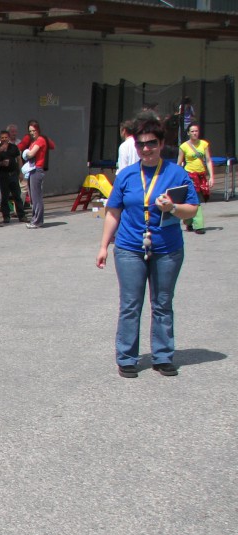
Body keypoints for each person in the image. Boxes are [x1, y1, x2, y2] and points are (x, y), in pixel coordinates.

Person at [96, 113, 198, 379]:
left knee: (163, 302)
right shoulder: (127, 175)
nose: (146, 149)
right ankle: (127, 357)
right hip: (130, 247)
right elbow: (113, 212)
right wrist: (104, 246)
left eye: (152, 143)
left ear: (161, 143)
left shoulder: (177, 174)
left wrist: (173, 207)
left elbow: (192, 210)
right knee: (130, 304)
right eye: (141, 144)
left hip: (167, 249)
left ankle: (163, 356)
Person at [178, 122, 214, 235]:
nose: (195, 133)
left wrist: (211, 176)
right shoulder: (184, 146)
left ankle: (188, 221)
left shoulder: (204, 144)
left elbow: (208, 160)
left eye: (196, 131)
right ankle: (199, 226)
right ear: (188, 133)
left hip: (201, 175)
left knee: (194, 199)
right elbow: (179, 163)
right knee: (196, 199)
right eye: (192, 131)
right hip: (190, 175)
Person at [19, 119, 55, 229]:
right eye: (30, 131)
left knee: (36, 197)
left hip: (37, 169)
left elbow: (31, 154)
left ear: (38, 129)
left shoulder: (40, 140)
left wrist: (25, 153)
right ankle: (35, 219)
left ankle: (37, 221)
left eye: (33, 130)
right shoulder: (37, 140)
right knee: (34, 197)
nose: (32, 133)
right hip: (33, 170)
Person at [0, 129, 26, 223]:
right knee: (4, 197)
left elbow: (19, 159)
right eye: (2, 138)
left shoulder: (13, 147)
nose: (4, 139)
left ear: (9, 138)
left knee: (17, 195)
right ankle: (6, 217)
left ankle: (21, 215)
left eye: (6, 137)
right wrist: (1, 163)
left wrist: (21, 172)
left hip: (13, 174)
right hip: (3, 175)